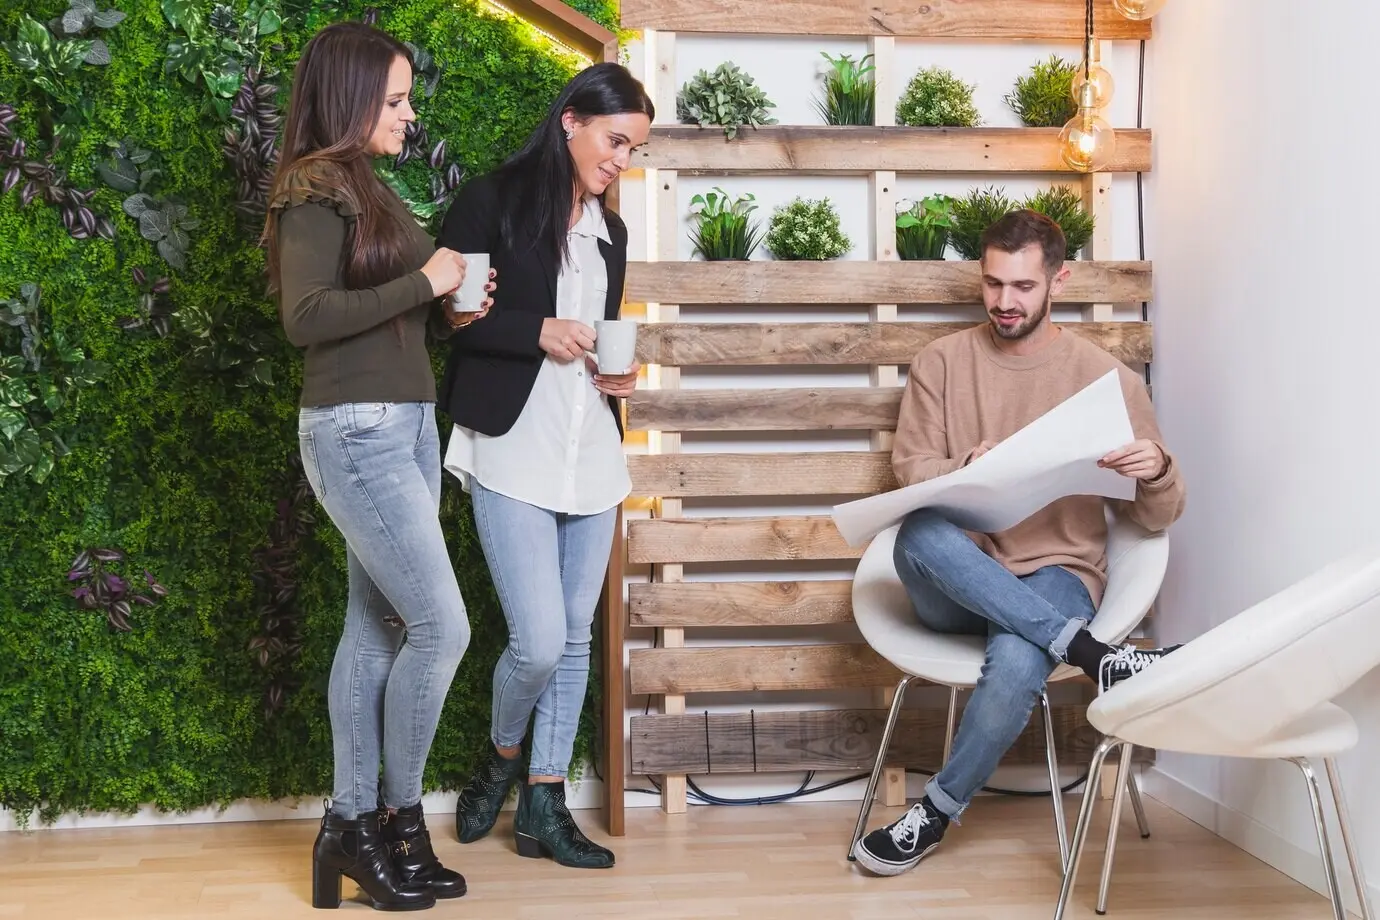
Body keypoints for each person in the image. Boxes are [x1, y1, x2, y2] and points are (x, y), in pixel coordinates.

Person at [852, 209, 1187, 879]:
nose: (1006, 302)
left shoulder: (1106, 381)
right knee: (918, 533)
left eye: (1023, 287)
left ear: (1058, 280)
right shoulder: (941, 364)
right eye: (993, 284)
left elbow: (1157, 518)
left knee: (1016, 660)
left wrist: (1158, 469)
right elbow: (909, 476)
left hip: (1055, 574)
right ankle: (1090, 652)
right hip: (958, 578)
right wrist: (965, 471)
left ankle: (935, 813)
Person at [264, 21, 496, 911]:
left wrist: (452, 312)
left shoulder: (368, 187)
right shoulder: (312, 188)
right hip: (355, 430)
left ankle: (351, 832)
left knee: (379, 631)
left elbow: (386, 305)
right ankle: (394, 819)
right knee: (443, 627)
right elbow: (307, 315)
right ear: (354, 100)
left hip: (400, 424)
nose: (407, 115)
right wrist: (427, 284)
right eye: (394, 100)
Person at [432, 62, 653, 870]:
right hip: (511, 446)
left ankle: (544, 804)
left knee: (575, 633)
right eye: (615, 140)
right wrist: (538, 331)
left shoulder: (613, 234)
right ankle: (499, 755)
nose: (622, 160)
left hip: (590, 448)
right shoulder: (490, 200)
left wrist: (617, 375)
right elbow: (454, 319)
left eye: (633, 149)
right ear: (571, 121)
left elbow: (601, 336)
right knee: (537, 641)